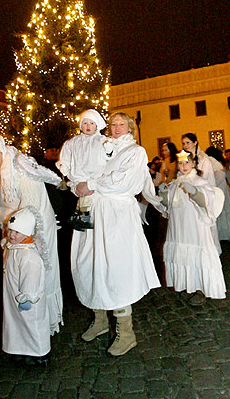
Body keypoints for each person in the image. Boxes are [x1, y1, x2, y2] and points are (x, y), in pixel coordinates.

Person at [72, 112, 165, 356]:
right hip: (95, 213)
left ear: (130, 127)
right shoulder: (105, 149)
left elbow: (122, 182)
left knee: (116, 269)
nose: (115, 128)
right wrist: (78, 183)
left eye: (121, 124)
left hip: (117, 217)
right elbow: (83, 170)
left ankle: (126, 332)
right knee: (92, 265)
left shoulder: (136, 152)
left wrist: (91, 185)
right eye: (112, 124)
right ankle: (101, 320)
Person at [0, 133, 63, 335]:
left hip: (33, 229)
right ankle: (21, 328)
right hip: (12, 230)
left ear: (3, 149)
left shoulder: (19, 169)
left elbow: (31, 207)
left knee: (33, 276)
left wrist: (20, 236)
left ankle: (41, 326)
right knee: (15, 276)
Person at [162, 150, 226, 306]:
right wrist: (161, 192)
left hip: (195, 226)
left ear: (194, 164)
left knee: (198, 251)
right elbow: (168, 204)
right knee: (183, 251)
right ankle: (188, 283)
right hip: (179, 226)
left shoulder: (200, 182)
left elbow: (206, 202)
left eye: (187, 162)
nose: (184, 166)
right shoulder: (175, 182)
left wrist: (194, 192)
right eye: (181, 163)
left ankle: (202, 288)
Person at [2, 208, 50, 366]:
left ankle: (39, 352)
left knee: (32, 324)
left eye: (17, 232)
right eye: (11, 231)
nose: (12, 235)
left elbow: (31, 278)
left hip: (27, 299)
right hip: (13, 295)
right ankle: (21, 348)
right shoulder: (15, 249)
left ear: (28, 233)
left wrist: (27, 296)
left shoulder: (29, 257)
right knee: (16, 322)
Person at [56, 109, 108, 231]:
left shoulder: (102, 140)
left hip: (96, 183)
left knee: (93, 210)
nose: (88, 126)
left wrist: (93, 183)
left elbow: (109, 159)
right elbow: (66, 157)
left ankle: (88, 220)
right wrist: (65, 169)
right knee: (82, 205)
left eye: (91, 123)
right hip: (78, 181)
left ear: (97, 125)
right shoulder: (73, 142)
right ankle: (81, 220)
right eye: (85, 123)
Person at [205, 146, 230, 241]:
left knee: (222, 212)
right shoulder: (218, 162)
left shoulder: (213, 162)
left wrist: (210, 186)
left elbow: (219, 177)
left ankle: (224, 235)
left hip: (219, 190)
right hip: (222, 189)